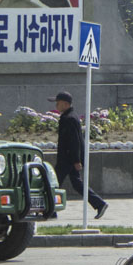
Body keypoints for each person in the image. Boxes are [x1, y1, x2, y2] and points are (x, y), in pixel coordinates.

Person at [51, 91, 108, 219]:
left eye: (58, 103)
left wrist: (76, 160)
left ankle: (51, 210)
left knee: (53, 183)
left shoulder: (68, 118)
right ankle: (99, 204)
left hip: (67, 159)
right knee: (76, 184)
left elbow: (74, 141)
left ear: (65, 104)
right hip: (70, 158)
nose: (56, 106)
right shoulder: (70, 116)